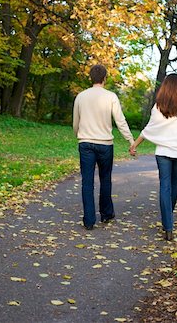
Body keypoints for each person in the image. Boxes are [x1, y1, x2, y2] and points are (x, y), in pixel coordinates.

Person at [129, 74, 177, 241]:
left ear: (165, 87)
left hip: (163, 153)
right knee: (174, 187)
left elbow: (149, 129)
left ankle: (168, 225)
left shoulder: (159, 106)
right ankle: (168, 223)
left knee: (165, 187)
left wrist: (135, 145)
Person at [73, 64, 134, 230]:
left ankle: (89, 220)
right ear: (105, 78)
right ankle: (106, 214)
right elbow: (120, 121)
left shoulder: (81, 96)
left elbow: (75, 122)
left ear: (90, 78)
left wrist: (79, 135)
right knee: (105, 178)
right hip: (105, 144)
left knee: (87, 181)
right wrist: (130, 141)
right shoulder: (111, 96)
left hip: (85, 143)